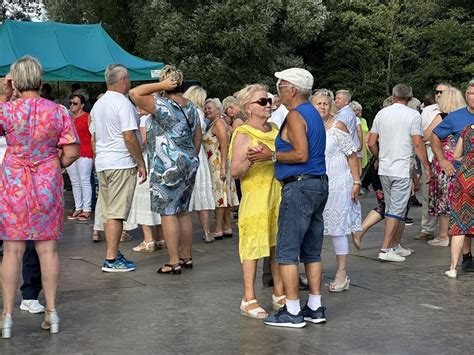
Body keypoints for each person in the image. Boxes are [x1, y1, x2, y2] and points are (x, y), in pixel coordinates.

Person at [0, 56, 80, 338]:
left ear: (15, 81)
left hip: (13, 185)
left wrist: (6, 94)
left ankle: (7, 317)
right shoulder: (58, 112)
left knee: (12, 251)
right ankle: (52, 312)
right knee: (47, 250)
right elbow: (71, 152)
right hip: (46, 183)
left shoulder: (6, 111)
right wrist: (52, 165)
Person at [249, 68, 328, 328]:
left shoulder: (295, 115)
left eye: (280, 86)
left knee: (287, 250)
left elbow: (300, 154)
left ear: (293, 89)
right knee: (312, 251)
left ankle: (292, 310)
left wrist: (269, 155)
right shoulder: (313, 114)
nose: (277, 91)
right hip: (318, 184)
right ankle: (314, 306)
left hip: (300, 186)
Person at [129, 65, 200, 274]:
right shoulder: (191, 107)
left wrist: (160, 86)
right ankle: (186, 256)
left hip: (165, 166)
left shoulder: (160, 105)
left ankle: (173, 261)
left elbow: (134, 93)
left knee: (168, 213)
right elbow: (197, 137)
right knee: (184, 211)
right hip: (188, 163)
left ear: (166, 82)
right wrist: (189, 156)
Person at [230, 84, 285, 319]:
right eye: (262, 102)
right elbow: (235, 171)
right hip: (256, 196)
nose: (268, 105)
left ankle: (279, 292)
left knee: (276, 246)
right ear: (248, 108)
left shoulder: (274, 128)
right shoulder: (243, 133)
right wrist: (251, 161)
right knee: (253, 247)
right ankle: (248, 297)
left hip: (277, 194)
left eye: (269, 100)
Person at [91, 64, 147, 273]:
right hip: (120, 162)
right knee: (116, 213)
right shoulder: (123, 103)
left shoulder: (99, 104)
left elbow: (96, 136)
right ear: (122, 80)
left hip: (104, 162)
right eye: (129, 79)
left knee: (109, 212)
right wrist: (140, 162)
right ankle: (111, 258)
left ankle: (112, 253)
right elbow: (129, 137)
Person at [368, 84, 432, 262]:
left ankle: (394, 245)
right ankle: (386, 248)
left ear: (393, 95)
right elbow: (418, 143)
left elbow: (371, 141)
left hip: (385, 168)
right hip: (401, 168)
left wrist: (380, 156)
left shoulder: (382, 113)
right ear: (410, 98)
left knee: (392, 208)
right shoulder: (413, 115)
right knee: (396, 210)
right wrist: (426, 167)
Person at [312, 91, 361, 292]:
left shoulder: (338, 126)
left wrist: (357, 182)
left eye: (326, 103)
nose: (322, 107)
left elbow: (352, 154)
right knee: (315, 228)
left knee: (338, 228)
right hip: (318, 181)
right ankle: (315, 270)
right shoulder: (310, 127)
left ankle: (342, 272)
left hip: (339, 181)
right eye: (318, 103)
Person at [431, 80, 474, 272]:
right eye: (471, 93)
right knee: (463, 216)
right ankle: (466, 256)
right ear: (466, 96)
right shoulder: (456, 117)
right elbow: (434, 136)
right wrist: (442, 160)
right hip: (463, 175)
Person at [423, 88, 466, 247]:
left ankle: (443, 235)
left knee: (443, 197)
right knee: (456, 196)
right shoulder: (463, 118)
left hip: (444, 161)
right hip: (460, 161)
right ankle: (456, 231)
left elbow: (427, 136)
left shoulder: (442, 117)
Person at [416, 83, 451, 240]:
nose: (438, 94)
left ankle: (449, 229)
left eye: (441, 92)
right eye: (436, 92)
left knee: (448, 193)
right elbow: (422, 135)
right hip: (431, 153)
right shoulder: (429, 111)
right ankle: (427, 228)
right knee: (428, 193)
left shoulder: (456, 109)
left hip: (450, 155)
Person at [203, 98, 239, 239]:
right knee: (225, 196)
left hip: (218, 164)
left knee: (220, 198)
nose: (207, 111)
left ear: (218, 110)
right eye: (205, 108)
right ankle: (227, 226)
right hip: (218, 163)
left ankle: (218, 228)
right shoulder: (218, 123)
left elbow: (224, 145)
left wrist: (223, 167)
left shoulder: (218, 123)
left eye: (210, 108)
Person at [183, 85, 215, 243]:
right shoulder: (199, 114)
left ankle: (184, 232)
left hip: (185, 154)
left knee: (186, 195)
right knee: (202, 195)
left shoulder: (182, 111)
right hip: (198, 154)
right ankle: (207, 231)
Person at [129, 107, 162, 253]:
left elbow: (142, 142)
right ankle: (161, 237)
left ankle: (148, 239)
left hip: (147, 160)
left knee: (144, 200)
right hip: (160, 160)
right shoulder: (161, 119)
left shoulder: (144, 120)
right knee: (159, 199)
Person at [445, 124, 474, 278]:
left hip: (465, 178)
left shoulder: (467, 129)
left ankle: (453, 268)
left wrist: (469, 159)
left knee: (460, 222)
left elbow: (456, 156)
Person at [66, 94, 94, 221]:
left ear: (82, 105)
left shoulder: (88, 117)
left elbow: (93, 135)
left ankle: (86, 209)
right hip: (72, 152)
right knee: (75, 182)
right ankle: (78, 207)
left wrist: (95, 153)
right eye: (71, 103)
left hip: (85, 151)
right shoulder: (69, 118)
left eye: (75, 103)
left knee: (84, 180)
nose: (72, 105)